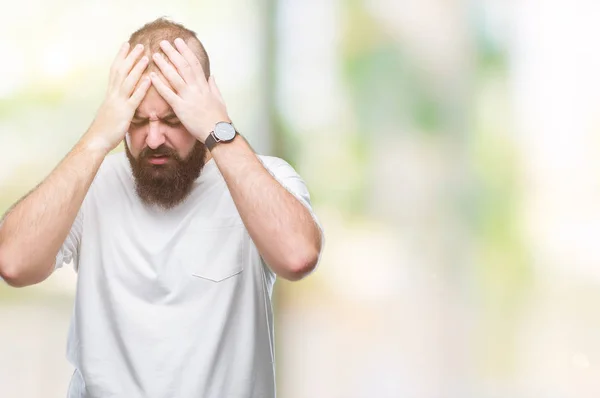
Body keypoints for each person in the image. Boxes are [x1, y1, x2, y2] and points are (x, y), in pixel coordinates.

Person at [0, 18, 323, 398]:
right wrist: (96, 138)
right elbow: (13, 263)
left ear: (203, 105)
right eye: (137, 122)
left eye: (173, 120)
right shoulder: (92, 184)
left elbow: (298, 256)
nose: (154, 138)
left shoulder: (263, 178)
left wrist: (219, 129)